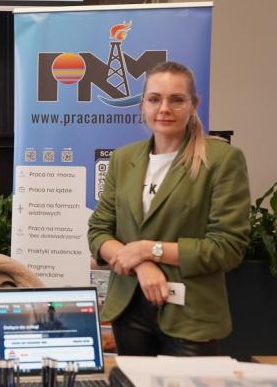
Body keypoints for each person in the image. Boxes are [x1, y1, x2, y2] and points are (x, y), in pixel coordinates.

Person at [87, 61, 250, 356]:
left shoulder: (222, 160)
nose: (164, 109)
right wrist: (141, 263)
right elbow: (99, 231)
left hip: (191, 316)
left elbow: (227, 248)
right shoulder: (123, 159)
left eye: (176, 100)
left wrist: (149, 250)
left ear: (193, 104)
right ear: (143, 104)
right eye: (154, 99)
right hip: (129, 312)